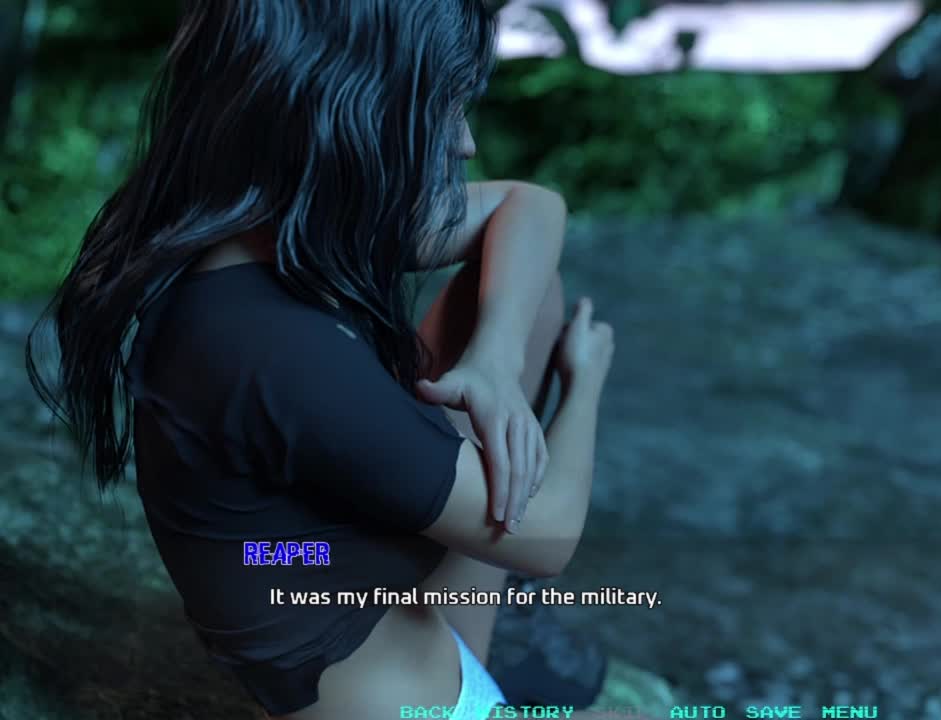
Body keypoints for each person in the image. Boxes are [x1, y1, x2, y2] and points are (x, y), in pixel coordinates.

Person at [25, 1, 625, 718]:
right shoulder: (276, 354)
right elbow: (548, 538)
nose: (464, 143)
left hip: (339, 592)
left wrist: (493, 362)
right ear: (348, 105)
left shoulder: (264, 236)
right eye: (439, 106)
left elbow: (530, 207)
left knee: (518, 288)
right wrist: (584, 383)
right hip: (422, 700)